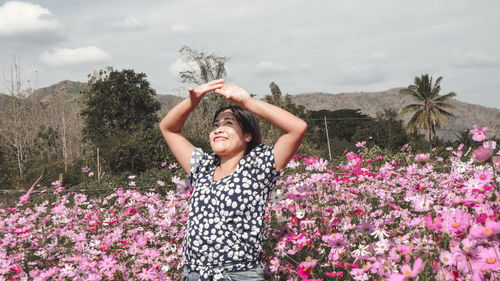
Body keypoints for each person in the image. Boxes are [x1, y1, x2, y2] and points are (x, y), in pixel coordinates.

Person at [159, 79, 307, 281]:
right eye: (216, 125)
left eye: (228, 123)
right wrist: (191, 103)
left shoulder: (258, 165)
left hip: (238, 275)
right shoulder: (202, 166)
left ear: (247, 135)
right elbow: (168, 128)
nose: (218, 129)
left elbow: (297, 128)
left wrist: (248, 102)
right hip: (194, 274)